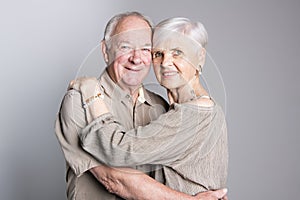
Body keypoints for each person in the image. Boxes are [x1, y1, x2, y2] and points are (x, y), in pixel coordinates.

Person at [55, 12, 228, 200]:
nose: (136, 59)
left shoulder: (161, 108)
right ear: (106, 51)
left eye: (146, 49)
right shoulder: (80, 101)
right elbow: (114, 179)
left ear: (200, 57)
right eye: (126, 47)